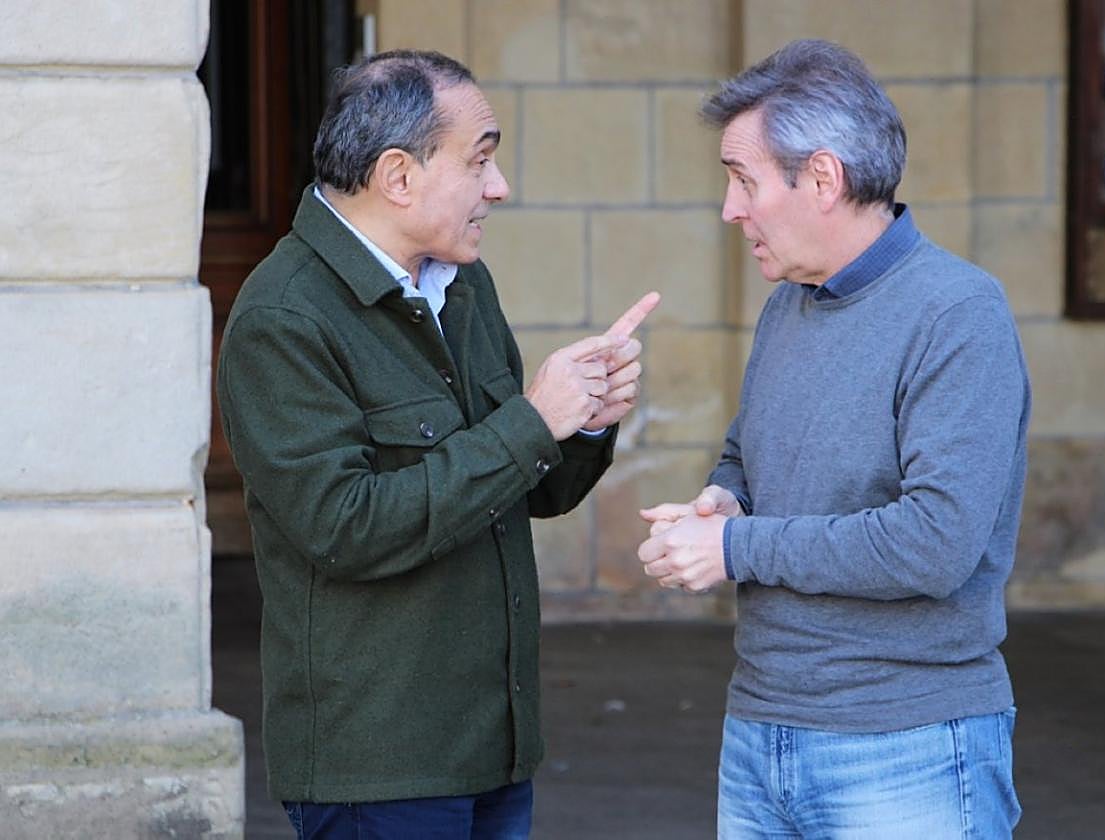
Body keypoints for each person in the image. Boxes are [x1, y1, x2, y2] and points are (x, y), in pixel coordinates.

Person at [217, 49, 658, 839]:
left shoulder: (461, 282)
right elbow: (345, 527)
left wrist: (586, 417)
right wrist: (531, 421)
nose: (500, 187)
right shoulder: (284, 318)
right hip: (378, 767)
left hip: (493, 745)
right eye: (479, 161)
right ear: (398, 176)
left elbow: (529, 490)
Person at [638, 39, 1029, 838]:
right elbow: (746, 456)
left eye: (744, 180)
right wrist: (723, 500)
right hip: (759, 733)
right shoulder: (790, 301)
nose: (730, 209)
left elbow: (934, 544)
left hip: (909, 743)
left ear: (822, 178)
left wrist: (735, 547)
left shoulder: (959, 314)